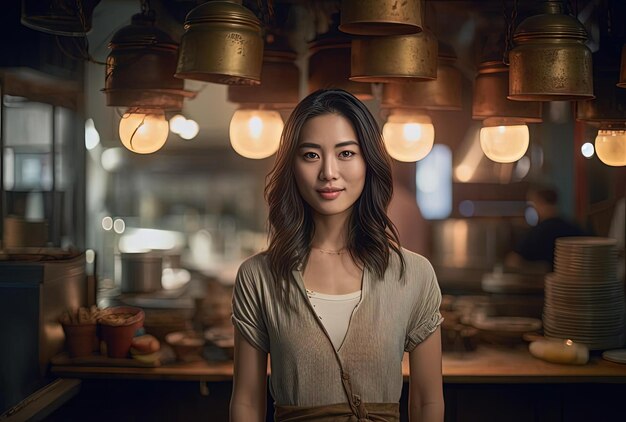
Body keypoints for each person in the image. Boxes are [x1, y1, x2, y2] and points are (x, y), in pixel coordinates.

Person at [229, 89, 444, 422]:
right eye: (311, 155)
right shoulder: (258, 276)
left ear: (368, 161)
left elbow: (427, 402)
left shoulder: (414, 274)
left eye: (345, 153)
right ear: (292, 166)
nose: (328, 172)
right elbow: (246, 401)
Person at [506, 184, 586, 272]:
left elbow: (513, 261)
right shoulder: (574, 227)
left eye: (532, 203)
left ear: (539, 202)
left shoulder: (538, 232)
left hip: (542, 283)